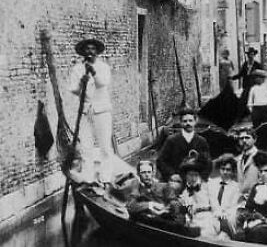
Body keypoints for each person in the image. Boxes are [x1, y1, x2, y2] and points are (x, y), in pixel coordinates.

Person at [68, 38, 113, 182]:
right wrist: (81, 83)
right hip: (85, 110)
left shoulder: (103, 67)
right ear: (83, 52)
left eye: (93, 49)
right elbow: (74, 90)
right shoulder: (77, 68)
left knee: (105, 146)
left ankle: (105, 177)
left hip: (101, 110)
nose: (90, 52)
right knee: (86, 147)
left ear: (97, 52)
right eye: (87, 49)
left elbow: (102, 83)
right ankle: (88, 177)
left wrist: (93, 72)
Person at [236, 151, 267, 242]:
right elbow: (248, 208)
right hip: (254, 220)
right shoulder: (256, 187)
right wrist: (253, 216)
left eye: (266, 171)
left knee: (258, 232)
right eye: (261, 171)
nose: (263, 174)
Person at [156, 108, 212, 181]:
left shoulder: (201, 141)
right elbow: (160, 161)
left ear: (195, 122)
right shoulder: (171, 140)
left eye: (190, 121)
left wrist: (202, 177)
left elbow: (208, 163)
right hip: (177, 180)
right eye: (185, 121)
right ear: (180, 122)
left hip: (195, 181)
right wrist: (172, 174)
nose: (188, 123)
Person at [123, 160, 185, 226]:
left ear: (153, 173)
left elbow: (174, 204)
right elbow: (130, 206)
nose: (147, 175)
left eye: (149, 172)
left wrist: (166, 209)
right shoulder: (136, 186)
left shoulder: (164, 186)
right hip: (142, 223)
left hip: (163, 223)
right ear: (138, 174)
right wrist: (150, 204)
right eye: (143, 172)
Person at [178, 154, 216, 237]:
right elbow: (186, 210)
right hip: (194, 221)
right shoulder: (185, 192)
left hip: (208, 218)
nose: (193, 178)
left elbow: (215, 205)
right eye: (191, 175)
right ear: (186, 176)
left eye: (196, 175)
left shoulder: (207, 186)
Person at [208, 154, 240, 239]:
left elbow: (234, 206)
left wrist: (223, 214)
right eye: (223, 169)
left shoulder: (236, 187)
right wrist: (216, 213)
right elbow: (211, 201)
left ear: (232, 171)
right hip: (212, 215)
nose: (225, 172)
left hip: (226, 218)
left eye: (228, 170)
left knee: (222, 236)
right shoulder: (211, 183)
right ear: (219, 169)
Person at [235, 127, 260, 196]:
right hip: (240, 199)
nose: (244, 140)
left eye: (247, 138)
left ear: (255, 139)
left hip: (256, 198)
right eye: (241, 138)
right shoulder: (238, 159)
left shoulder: (260, 157)